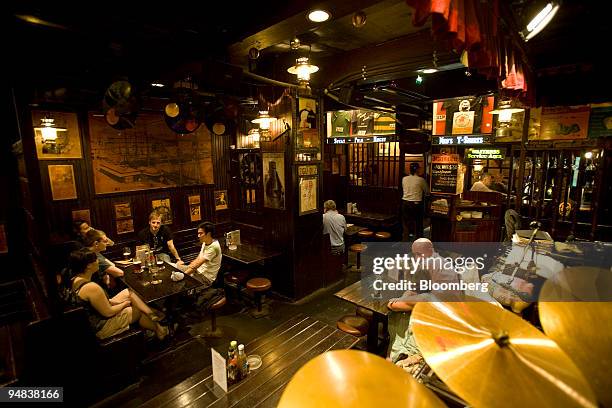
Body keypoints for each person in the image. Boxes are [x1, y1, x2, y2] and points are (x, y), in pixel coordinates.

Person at [386, 239, 461, 369]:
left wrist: (401, 301)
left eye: (419, 254)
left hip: (440, 320)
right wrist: (404, 297)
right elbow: (413, 288)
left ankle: (402, 357)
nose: (417, 257)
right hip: (426, 310)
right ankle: (392, 355)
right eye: (415, 254)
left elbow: (397, 305)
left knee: (398, 314)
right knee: (398, 317)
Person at [67, 248, 168, 340]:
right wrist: (124, 304)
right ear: (89, 265)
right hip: (101, 327)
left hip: (95, 316)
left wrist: (121, 301)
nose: (98, 262)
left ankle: (152, 316)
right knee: (138, 309)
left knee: (128, 292)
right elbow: (108, 312)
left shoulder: (75, 279)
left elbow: (104, 303)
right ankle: (159, 329)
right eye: (96, 259)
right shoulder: (91, 287)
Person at [175, 222, 221, 288]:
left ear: (208, 234)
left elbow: (197, 265)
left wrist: (184, 275)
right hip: (198, 271)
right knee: (175, 267)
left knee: (181, 285)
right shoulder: (205, 242)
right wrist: (191, 265)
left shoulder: (214, 247)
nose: (198, 236)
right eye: (198, 233)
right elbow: (199, 258)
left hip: (205, 277)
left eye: (201, 233)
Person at [401, 162, 428, 240]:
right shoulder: (421, 180)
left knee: (406, 224)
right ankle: (418, 241)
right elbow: (427, 192)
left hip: (405, 203)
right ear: (417, 170)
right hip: (416, 204)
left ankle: (405, 239)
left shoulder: (404, 179)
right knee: (418, 223)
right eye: (419, 169)